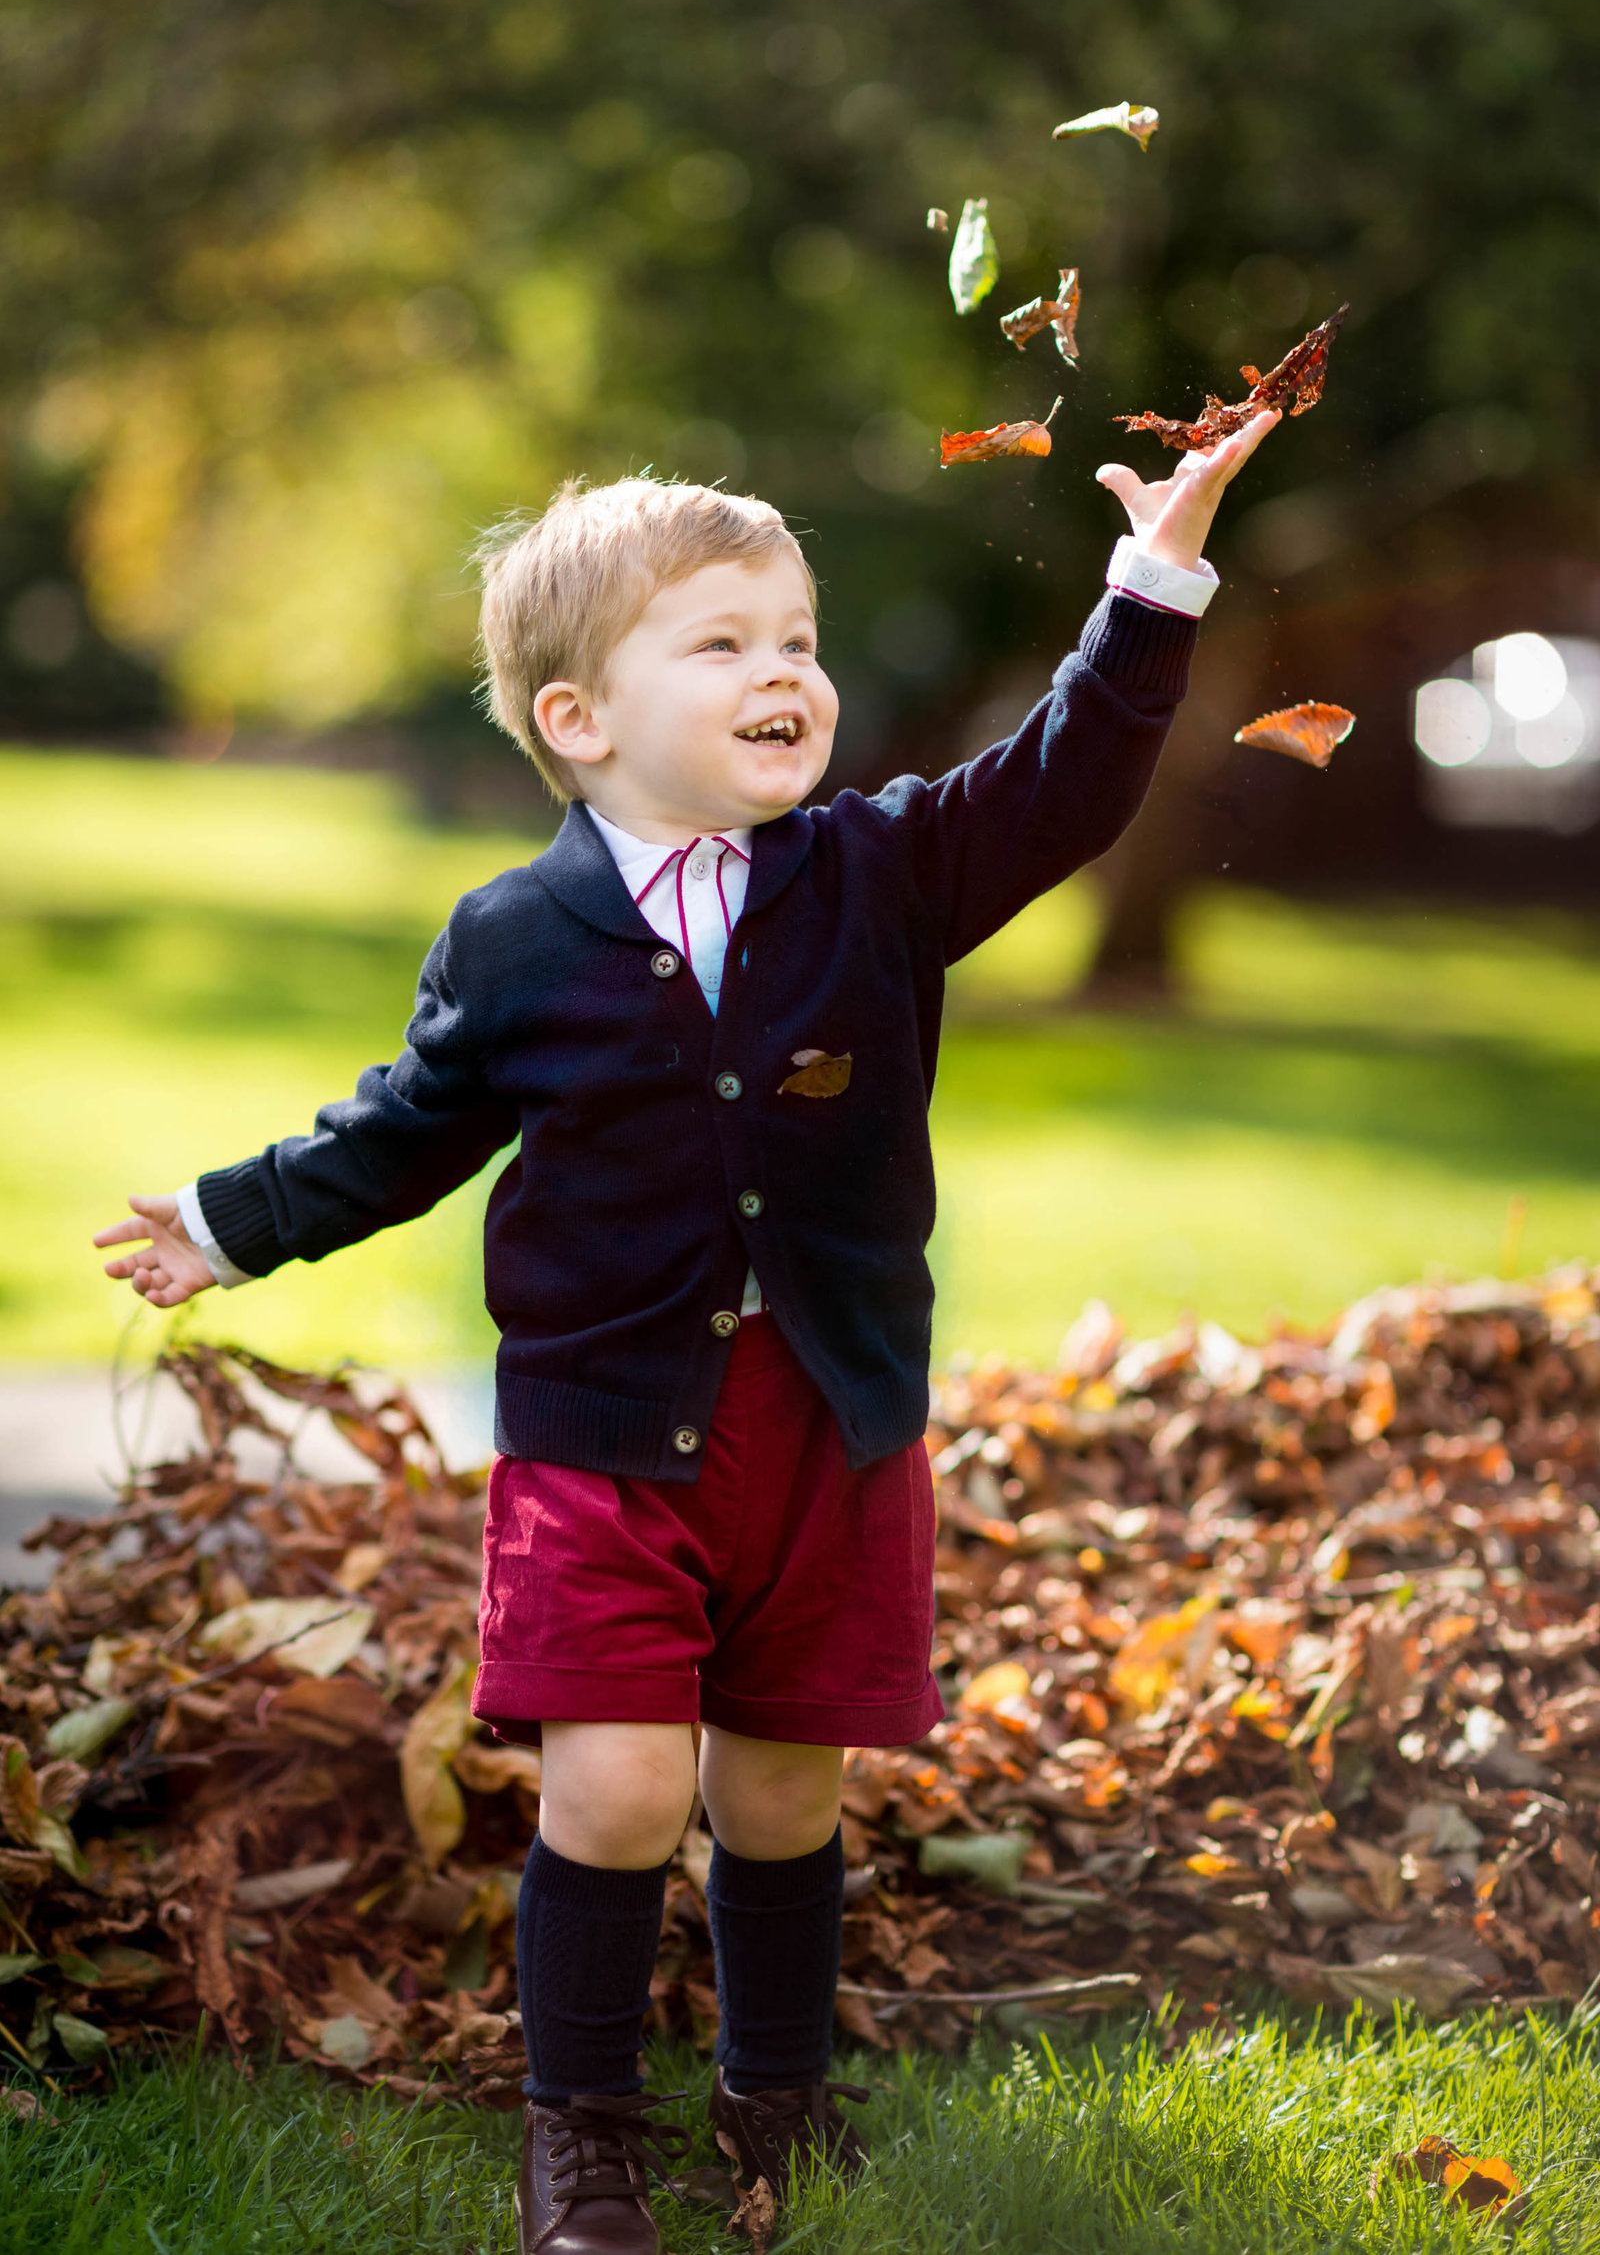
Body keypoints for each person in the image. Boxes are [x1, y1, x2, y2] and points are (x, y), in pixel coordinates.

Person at [94, 410, 1275, 2255]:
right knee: (628, 1782)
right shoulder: (515, 940)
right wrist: (235, 1220)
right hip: (601, 1430)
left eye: (795, 636)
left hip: (829, 1422)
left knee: (782, 1791)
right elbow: (406, 1126)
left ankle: (777, 2095)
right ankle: (581, 2136)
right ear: (581, 717)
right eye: (719, 643)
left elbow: (1064, 783)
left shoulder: (880, 875)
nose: (781, 671)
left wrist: (1156, 577)